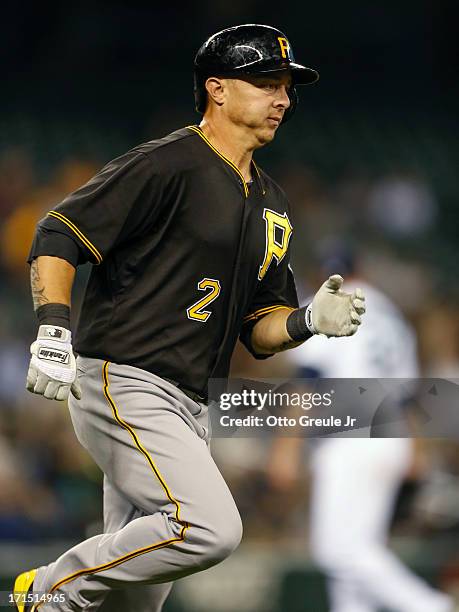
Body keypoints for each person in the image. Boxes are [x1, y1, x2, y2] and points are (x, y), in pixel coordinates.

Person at [14, 25, 366, 612]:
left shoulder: (273, 203)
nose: (282, 97)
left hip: (190, 403)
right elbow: (58, 232)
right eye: (265, 82)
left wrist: (308, 321)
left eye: (287, 86)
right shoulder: (168, 163)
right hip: (125, 381)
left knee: (134, 595)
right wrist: (53, 326)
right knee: (209, 528)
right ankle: (50, 585)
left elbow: (258, 328)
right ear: (217, 90)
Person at [268, 242, 455, 612]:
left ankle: (432, 606)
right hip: (390, 438)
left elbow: (309, 382)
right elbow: (406, 394)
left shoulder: (331, 303)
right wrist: (413, 450)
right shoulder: (388, 313)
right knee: (358, 554)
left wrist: (285, 450)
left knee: (337, 553)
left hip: (351, 442)